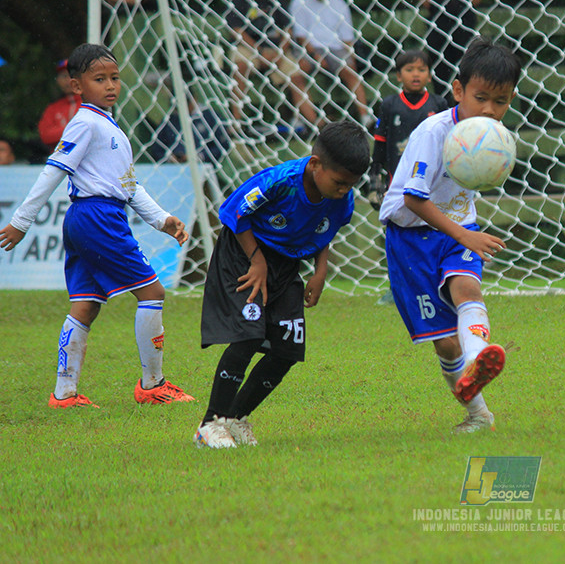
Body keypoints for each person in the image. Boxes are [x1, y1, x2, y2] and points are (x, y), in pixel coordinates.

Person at [0, 43, 194, 408]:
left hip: (87, 218)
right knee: (153, 293)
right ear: (77, 86)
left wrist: (161, 219)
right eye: (99, 79)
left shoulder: (107, 125)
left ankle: (64, 394)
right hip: (97, 218)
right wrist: (20, 222)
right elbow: (53, 171)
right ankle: (153, 385)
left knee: (86, 305)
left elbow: (128, 186)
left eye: (114, 78)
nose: (110, 85)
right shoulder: (86, 123)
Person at [193, 119, 370, 448]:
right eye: (340, 182)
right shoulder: (279, 181)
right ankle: (210, 424)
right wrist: (257, 260)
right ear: (315, 164)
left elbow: (325, 228)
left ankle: (236, 417)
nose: (345, 190)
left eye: (351, 184)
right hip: (244, 254)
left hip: (286, 264)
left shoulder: (341, 198)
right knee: (248, 336)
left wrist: (320, 271)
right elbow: (235, 212)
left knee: (288, 348)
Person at [378, 36, 520, 433]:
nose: (490, 110)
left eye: (501, 101)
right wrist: (466, 235)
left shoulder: (495, 137)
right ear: (458, 91)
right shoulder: (433, 131)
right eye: (481, 98)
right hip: (411, 237)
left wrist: (464, 234)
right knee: (445, 342)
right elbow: (413, 199)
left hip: (458, 230)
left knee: (467, 290)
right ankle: (479, 414)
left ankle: (479, 359)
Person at [226, 0, 316, 126]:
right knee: (240, 67)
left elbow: (288, 30)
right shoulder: (238, 0)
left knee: (297, 75)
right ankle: (236, 123)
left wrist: (279, 52)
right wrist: (260, 52)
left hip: (277, 50)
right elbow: (237, 31)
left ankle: (314, 123)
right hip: (249, 48)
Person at [368, 49, 451, 209]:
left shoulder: (439, 104)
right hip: (396, 179)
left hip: (431, 178)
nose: (415, 74)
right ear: (399, 76)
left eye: (421, 70)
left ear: (429, 76)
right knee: (396, 217)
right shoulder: (389, 105)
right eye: (409, 69)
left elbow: (447, 144)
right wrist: (374, 181)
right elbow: (380, 145)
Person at [289, 0, 372, 128]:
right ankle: (310, 121)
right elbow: (300, 36)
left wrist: (350, 59)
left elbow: (347, 39)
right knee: (297, 74)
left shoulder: (339, 4)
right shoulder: (299, 2)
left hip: (335, 48)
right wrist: (316, 55)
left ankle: (365, 117)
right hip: (309, 48)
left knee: (351, 71)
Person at [37, 59, 82, 151]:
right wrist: (74, 129)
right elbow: (45, 136)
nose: (68, 80)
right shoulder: (53, 108)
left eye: (71, 76)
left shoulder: (90, 102)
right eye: (64, 76)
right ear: (58, 80)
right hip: (59, 157)